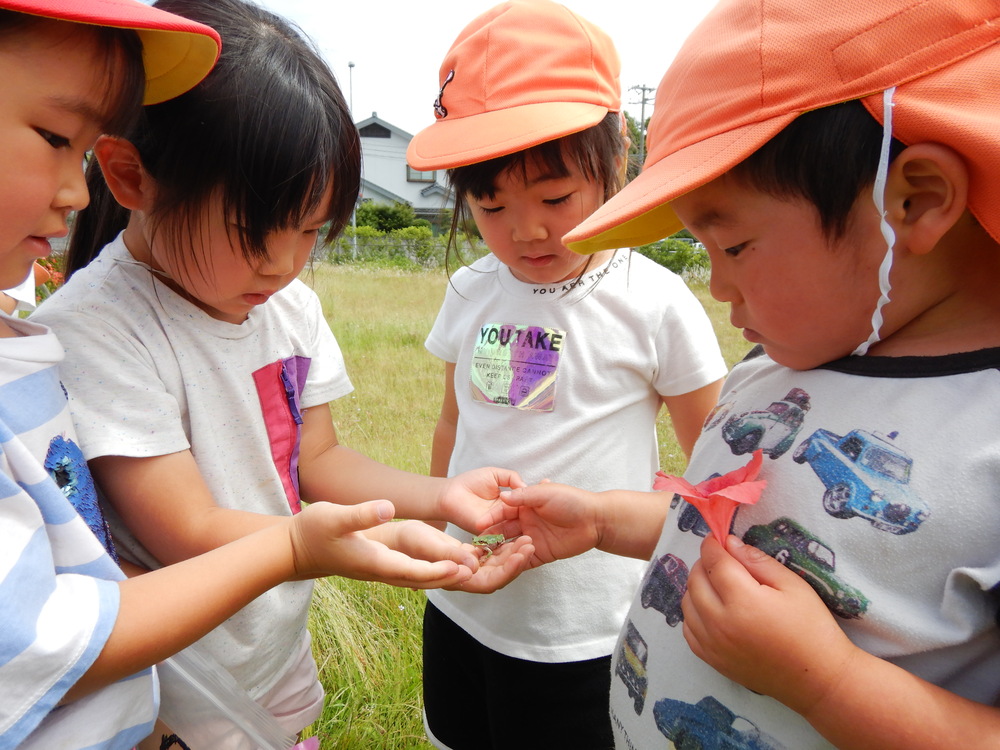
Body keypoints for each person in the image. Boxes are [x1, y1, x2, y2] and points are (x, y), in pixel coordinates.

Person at [484, 0, 1000, 747]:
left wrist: (826, 680)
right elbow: (717, 524)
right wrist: (600, 520)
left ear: (913, 200)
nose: (719, 288)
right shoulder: (774, 370)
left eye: (733, 246)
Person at [30, 0, 534, 745]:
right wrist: (334, 547)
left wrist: (439, 497)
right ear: (131, 176)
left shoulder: (286, 305)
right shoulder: (97, 330)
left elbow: (319, 459)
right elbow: (187, 532)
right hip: (172, 681)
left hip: (270, 650)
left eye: (307, 232)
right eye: (254, 231)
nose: (283, 263)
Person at [404, 2, 727, 747]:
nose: (526, 229)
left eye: (555, 197)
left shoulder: (652, 302)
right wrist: (434, 529)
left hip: (585, 627)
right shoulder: (472, 289)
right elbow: (454, 423)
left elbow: (710, 467)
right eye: (491, 204)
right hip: (463, 601)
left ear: (613, 160)